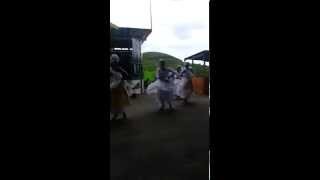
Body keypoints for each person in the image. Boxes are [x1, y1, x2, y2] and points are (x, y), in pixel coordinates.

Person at [110, 54, 130, 120]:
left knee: (118, 100)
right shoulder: (112, 68)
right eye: (112, 60)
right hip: (114, 86)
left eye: (113, 60)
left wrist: (121, 80)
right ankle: (119, 114)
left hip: (118, 86)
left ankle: (120, 114)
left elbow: (126, 74)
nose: (112, 61)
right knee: (115, 101)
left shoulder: (118, 68)